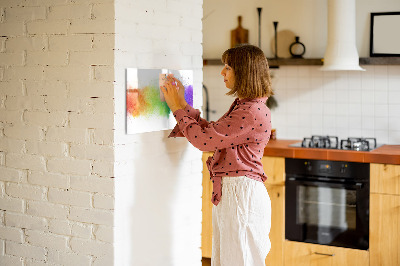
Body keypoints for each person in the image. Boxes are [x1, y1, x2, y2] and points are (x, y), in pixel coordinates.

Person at [161, 44, 273, 266]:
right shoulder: (246, 106)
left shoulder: (250, 111)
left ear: (244, 72)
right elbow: (212, 133)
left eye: (228, 67)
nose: (222, 72)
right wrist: (183, 104)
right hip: (236, 193)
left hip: (241, 195)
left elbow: (204, 141)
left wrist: (176, 108)